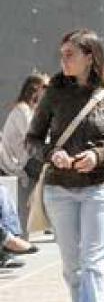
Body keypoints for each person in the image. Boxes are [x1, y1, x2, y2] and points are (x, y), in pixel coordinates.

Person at [27, 29, 104, 302]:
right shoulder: (53, 94)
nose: (63, 59)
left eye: (70, 53)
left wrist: (98, 156)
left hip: (99, 188)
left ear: (90, 56)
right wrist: (51, 154)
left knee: (95, 262)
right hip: (59, 189)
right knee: (73, 265)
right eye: (62, 54)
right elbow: (32, 139)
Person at [0, 73, 49, 230]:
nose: (49, 92)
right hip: (19, 162)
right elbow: (33, 138)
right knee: (56, 172)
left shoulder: (30, 110)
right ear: (35, 90)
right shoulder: (22, 110)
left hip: (26, 159)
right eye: (45, 87)